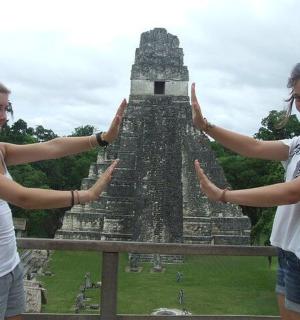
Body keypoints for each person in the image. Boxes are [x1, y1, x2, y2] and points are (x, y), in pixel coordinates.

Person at [0, 82, 127, 320]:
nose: (4, 116)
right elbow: (23, 197)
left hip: (9, 265)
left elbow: (52, 147)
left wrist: (103, 138)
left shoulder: (1, 150)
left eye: (7, 109)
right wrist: (84, 195)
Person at [191, 63, 300, 319]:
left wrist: (224, 196)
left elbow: (292, 192)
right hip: (288, 250)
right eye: (297, 97)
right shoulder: (297, 144)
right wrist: (205, 126)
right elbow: (255, 147)